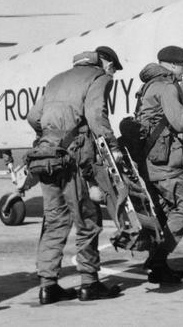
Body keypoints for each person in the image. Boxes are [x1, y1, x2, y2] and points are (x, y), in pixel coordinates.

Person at [27, 46, 124, 304]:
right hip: (74, 158)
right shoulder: (98, 78)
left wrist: (53, 132)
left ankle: (48, 286)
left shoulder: (55, 79)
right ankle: (90, 284)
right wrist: (112, 147)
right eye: (111, 67)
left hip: (45, 155)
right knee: (87, 217)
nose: (111, 72)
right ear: (101, 64)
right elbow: (95, 116)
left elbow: (33, 116)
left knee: (55, 220)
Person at [135, 45, 183, 284]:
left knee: (165, 214)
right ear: (170, 64)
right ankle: (158, 259)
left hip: (150, 162)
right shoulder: (167, 88)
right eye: (181, 66)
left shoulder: (148, 86)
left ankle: (158, 266)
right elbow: (182, 123)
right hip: (165, 164)